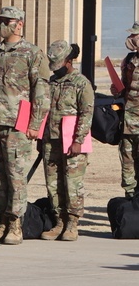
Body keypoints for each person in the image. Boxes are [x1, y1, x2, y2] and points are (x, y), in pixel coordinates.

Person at [0, 6, 51, 245]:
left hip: (17, 125)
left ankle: (15, 224)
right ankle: (2, 220)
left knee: (16, 176)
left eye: (6, 21)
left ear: (19, 24)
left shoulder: (32, 52)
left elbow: (41, 90)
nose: (1, 25)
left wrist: (35, 124)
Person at [40, 42, 93, 242]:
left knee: (72, 183)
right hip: (50, 140)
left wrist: (78, 140)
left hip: (72, 142)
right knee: (53, 183)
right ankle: (59, 221)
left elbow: (86, 113)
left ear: (69, 61)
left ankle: (72, 222)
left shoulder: (81, 83)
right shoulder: (51, 82)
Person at [114, 22, 139, 197]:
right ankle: (130, 199)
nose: (130, 39)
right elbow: (123, 87)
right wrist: (116, 89)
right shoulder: (129, 60)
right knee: (127, 162)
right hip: (128, 122)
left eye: (134, 36)